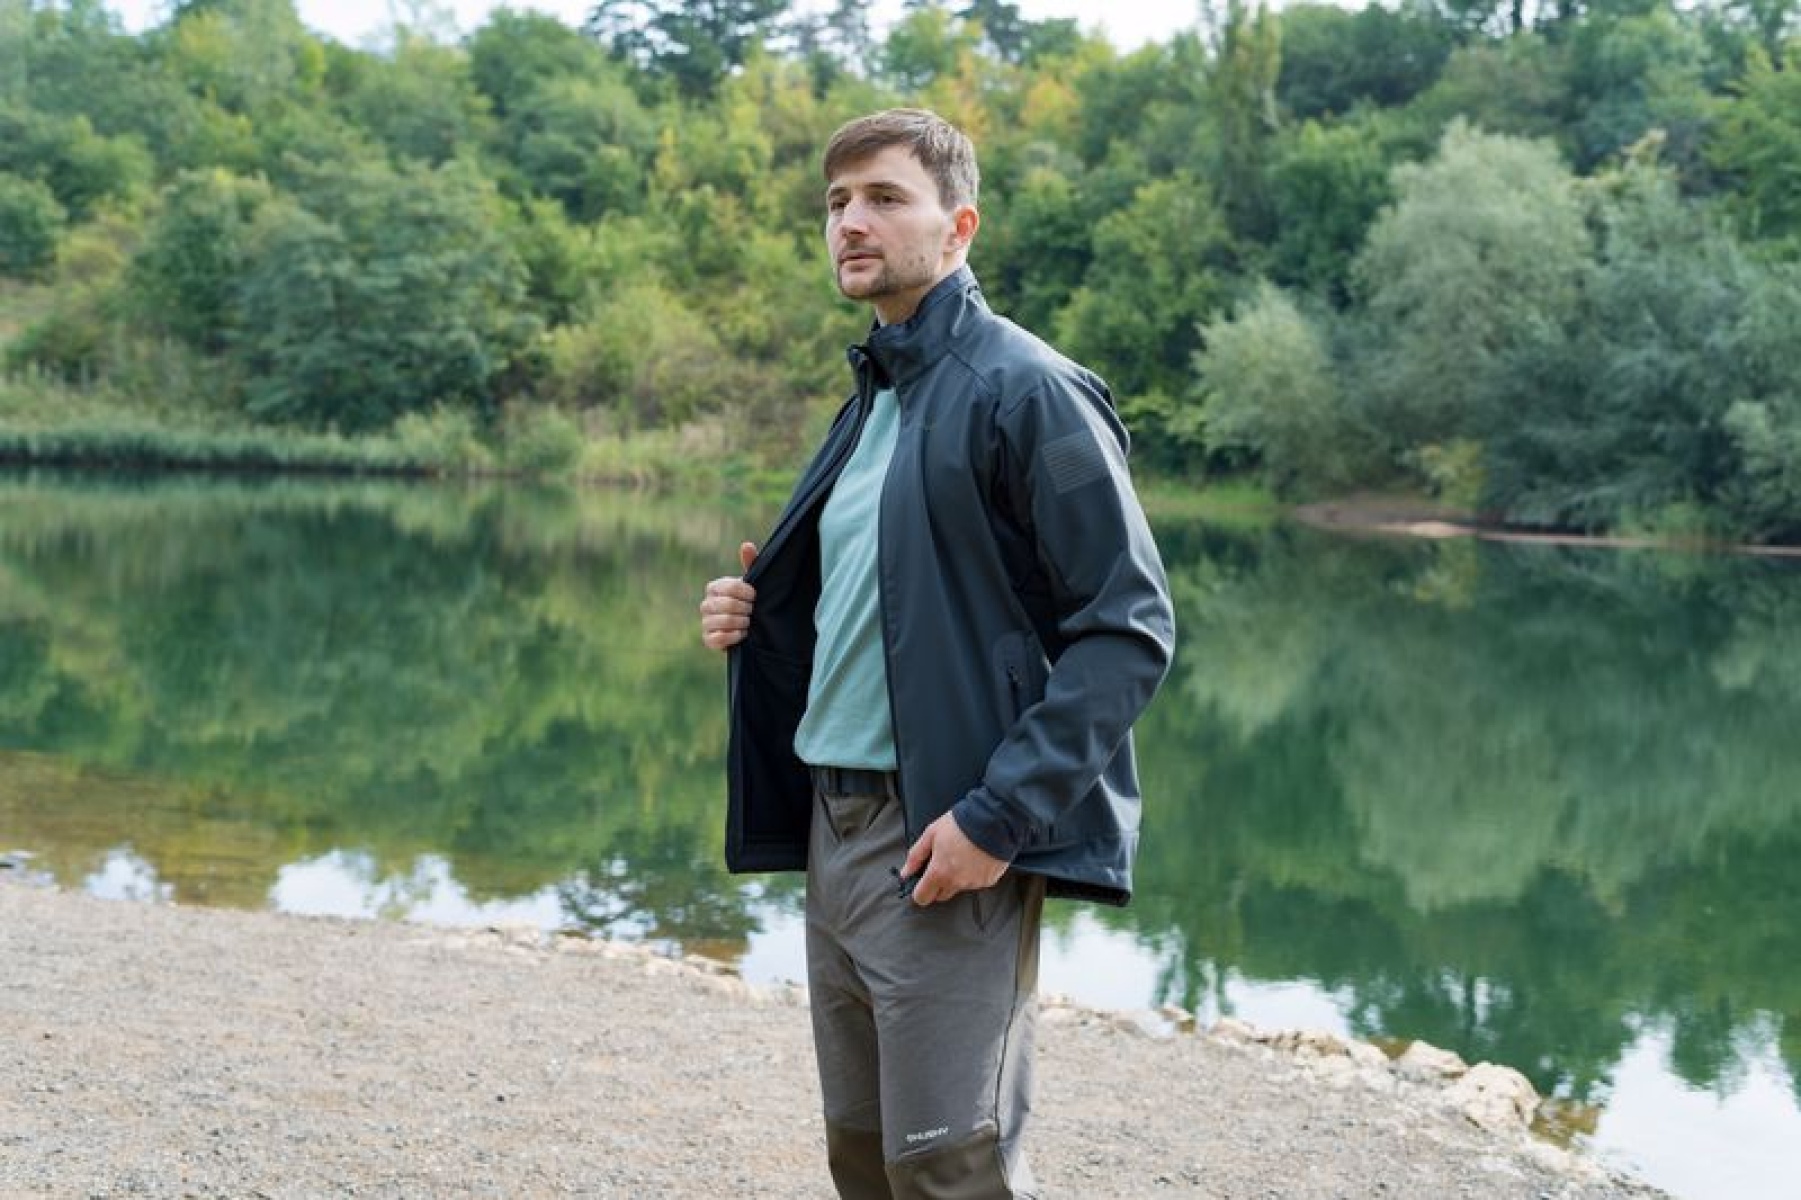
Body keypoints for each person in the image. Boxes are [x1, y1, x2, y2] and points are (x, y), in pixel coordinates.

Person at [698, 107, 1175, 1200]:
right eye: (835, 202)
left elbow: (1127, 628)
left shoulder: (1031, 392)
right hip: (834, 822)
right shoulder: (874, 399)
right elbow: (899, 609)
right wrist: (756, 618)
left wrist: (997, 819)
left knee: (948, 1167)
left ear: (958, 228)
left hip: (942, 835)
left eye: (883, 197)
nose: (849, 222)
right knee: (862, 1156)